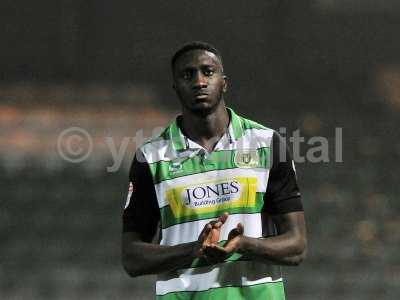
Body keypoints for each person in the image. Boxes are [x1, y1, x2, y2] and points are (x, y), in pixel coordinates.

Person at [122, 41, 307, 299]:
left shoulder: (267, 144)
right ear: (175, 88)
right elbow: (132, 258)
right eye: (188, 75)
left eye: (208, 72)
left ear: (224, 82)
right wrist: (192, 250)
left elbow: (296, 246)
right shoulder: (151, 157)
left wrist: (244, 245)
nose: (199, 81)